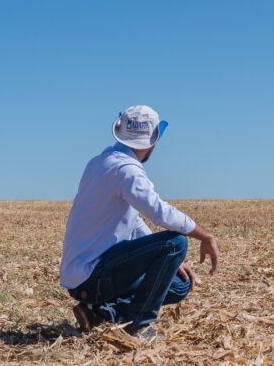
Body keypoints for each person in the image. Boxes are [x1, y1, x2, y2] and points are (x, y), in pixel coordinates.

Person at [59, 105, 219, 337]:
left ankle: (103, 314)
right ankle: (139, 324)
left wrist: (169, 261)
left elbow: (133, 223)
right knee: (176, 242)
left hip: (84, 277)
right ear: (153, 140)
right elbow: (160, 213)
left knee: (179, 285)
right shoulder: (127, 171)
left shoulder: (100, 163)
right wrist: (205, 235)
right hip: (93, 276)